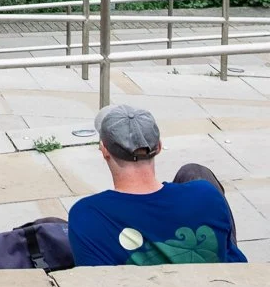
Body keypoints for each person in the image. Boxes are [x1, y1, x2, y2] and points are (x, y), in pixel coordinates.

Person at [68, 103, 246, 266]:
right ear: (159, 146)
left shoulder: (87, 214)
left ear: (104, 150)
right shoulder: (206, 194)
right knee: (195, 172)